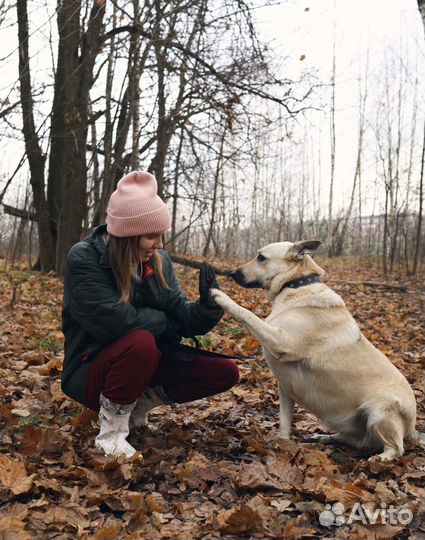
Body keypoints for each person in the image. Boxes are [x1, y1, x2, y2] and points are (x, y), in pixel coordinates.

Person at [61, 170, 239, 458]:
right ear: (128, 235)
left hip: (140, 363)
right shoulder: (83, 258)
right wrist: (164, 324)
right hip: (89, 369)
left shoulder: (158, 261)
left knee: (224, 372)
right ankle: (112, 433)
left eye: (160, 236)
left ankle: (139, 403)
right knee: (141, 340)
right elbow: (117, 323)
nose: (160, 245)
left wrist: (208, 306)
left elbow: (180, 313)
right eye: (152, 236)